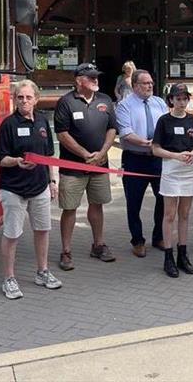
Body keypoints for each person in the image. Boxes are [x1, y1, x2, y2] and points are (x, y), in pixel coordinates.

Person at [0, 79, 62, 300]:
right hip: (13, 189)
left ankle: (42, 272)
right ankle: (9, 279)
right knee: (12, 234)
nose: (24, 101)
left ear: (36, 99)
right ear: (15, 100)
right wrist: (16, 162)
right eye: (20, 97)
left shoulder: (43, 122)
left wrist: (52, 182)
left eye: (28, 97)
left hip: (40, 187)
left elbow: (48, 156)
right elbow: (1, 159)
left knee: (43, 230)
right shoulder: (8, 125)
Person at [54, 63, 117, 271]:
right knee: (70, 208)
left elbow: (112, 129)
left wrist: (102, 153)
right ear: (79, 80)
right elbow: (62, 134)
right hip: (72, 167)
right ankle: (66, 251)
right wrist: (84, 154)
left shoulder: (105, 100)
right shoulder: (66, 102)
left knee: (97, 205)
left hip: (100, 164)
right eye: (91, 77)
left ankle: (98, 245)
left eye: (96, 76)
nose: (95, 80)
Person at [152, 83, 193, 277]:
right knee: (169, 215)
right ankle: (168, 256)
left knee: (185, 214)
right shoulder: (164, 121)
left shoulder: (192, 120)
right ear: (171, 100)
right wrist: (175, 156)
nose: (182, 102)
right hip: (171, 169)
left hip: (189, 170)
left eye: (185, 98)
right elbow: (155, 149)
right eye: (178, 98)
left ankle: (183, 254)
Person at [115, 69, 168, 257]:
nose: (150, 86)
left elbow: (166, 127)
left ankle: (159, 236)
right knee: (134, 202)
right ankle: (137, 241)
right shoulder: (124, 105)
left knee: (164, 198)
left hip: (157, 160)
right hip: (135, 158)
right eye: (146, 83)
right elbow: (126, 133)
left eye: (151, 83)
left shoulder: (159, 103)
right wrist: (149, 144)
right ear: (135, 85)